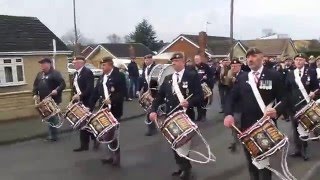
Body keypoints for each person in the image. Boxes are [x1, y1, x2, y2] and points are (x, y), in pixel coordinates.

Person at [224, 48, 286, 180]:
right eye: (248, 57)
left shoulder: (273, 75)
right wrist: (228, 114)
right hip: (247, 126)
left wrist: (277, 110)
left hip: (266, 125)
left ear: (262, 57)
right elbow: (230, 98)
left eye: (253, 56)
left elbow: (285, 98)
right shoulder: (242, 77)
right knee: (251, 160)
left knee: (264, 161)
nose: (250, 59)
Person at [149, 52, 203, 180]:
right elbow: (159, 97)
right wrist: (153, 110)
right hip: (171, 115)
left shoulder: (192, 76)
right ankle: (181, 166)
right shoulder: (168, 78)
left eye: (176, 61)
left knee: (184, 142)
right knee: (174, 142)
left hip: (185, 114)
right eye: (172, 61)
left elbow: (199, 96)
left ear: (183, 62)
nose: (173, 63)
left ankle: (186, 169)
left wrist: (189, 102)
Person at [89, 56, 126, 167]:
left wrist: (112, 99)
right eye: (102, 65)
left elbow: (123, 93)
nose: (102, 67)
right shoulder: (102, 77)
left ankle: (116, 158)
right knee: (106, 134)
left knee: (113, 135)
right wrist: (89, 106)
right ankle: (110, 156)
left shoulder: (119, 76)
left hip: (115, 110)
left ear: (110, 65)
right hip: (104, 110)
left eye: (104, 65)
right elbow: (95, 93)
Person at [285, 53, 319, 161]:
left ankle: (305, 150)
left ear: (305, 61)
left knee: (305, 127)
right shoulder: (290, 73)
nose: (298, 61)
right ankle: (297, 149)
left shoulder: (311, 72)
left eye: (301, 59)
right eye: (297, 60)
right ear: (294, 62)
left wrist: (314, 93)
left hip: (306, 104)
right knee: (295, 128)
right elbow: (286, 89)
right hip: (294, 105)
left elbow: (317, 87)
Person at [32, 58, 66, 142]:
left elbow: (63, 84)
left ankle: (53, 136)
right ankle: (52, 134)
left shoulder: (55, 74)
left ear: (49, 64)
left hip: (53, 100)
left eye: (43, 64)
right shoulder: (39, 74)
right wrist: (35, 94)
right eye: (41, 64)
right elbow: (35, 85)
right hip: (43, 100)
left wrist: (57, 90)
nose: (42, 65)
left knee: (52, 117)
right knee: (48, 117)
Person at [71, 56, 98, 152]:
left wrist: (81, 96)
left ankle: (94, 139)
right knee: (82, 123)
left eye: (76, 62)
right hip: (79, 102)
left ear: (81, 63)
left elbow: (90, 88)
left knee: (86, 123)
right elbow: (74, 88)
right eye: (74, 62)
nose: (74, 64)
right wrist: (73, 99)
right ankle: (85, 144)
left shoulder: (87, 72)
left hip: (88, 101)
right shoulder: (75, 74)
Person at [225, 58, 243, 152]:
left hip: (240, 105)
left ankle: (240, 143)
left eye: (236, 66)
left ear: (240, 66)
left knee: (238, 125)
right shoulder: (231, 76)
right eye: (232, 66)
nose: (234, 67)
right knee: (234, 126)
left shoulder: (243, 76)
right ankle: (235, 142)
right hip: (233, 105)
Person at [139, 54, 157, 136]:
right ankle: (152, 128)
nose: (146, 61)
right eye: (145, 60)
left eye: (147, 60)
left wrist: (151, 91)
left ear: (151, 60)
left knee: (150, 110)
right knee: (148, 110)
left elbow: (156, 81)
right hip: (147, 91)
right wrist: (140, 90)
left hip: (153, 92)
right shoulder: (145, 69)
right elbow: (143, 80)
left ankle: (151, 129)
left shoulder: (155, 68)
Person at [194, 55, 214, 121]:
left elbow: (211, 75)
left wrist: (207, 77)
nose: (196, 60)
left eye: (197, 59)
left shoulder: (205, 66)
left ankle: (203, 115)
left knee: (204, 101)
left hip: (204, 86)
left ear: (200, 59)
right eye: (195, 59)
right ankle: (199, 116)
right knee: (198, 102)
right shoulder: (193, 67)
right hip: (196, 87)